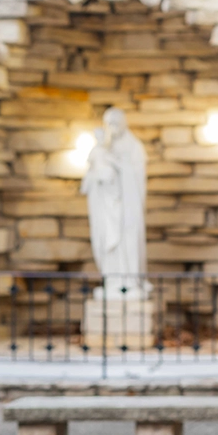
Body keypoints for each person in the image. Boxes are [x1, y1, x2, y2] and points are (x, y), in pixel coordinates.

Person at [80, 108, 148, 299]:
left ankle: (131, 282)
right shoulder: (101, 149)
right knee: (110, 243)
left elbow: (137, 177)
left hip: (127, 207)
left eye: (116, 123)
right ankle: (113, 281)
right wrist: (100, 175)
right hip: (108, 209)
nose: (112, 128)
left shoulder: (134, 147)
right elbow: (89, 179)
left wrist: (117, 165)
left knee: (129, 240)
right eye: (109, 124)